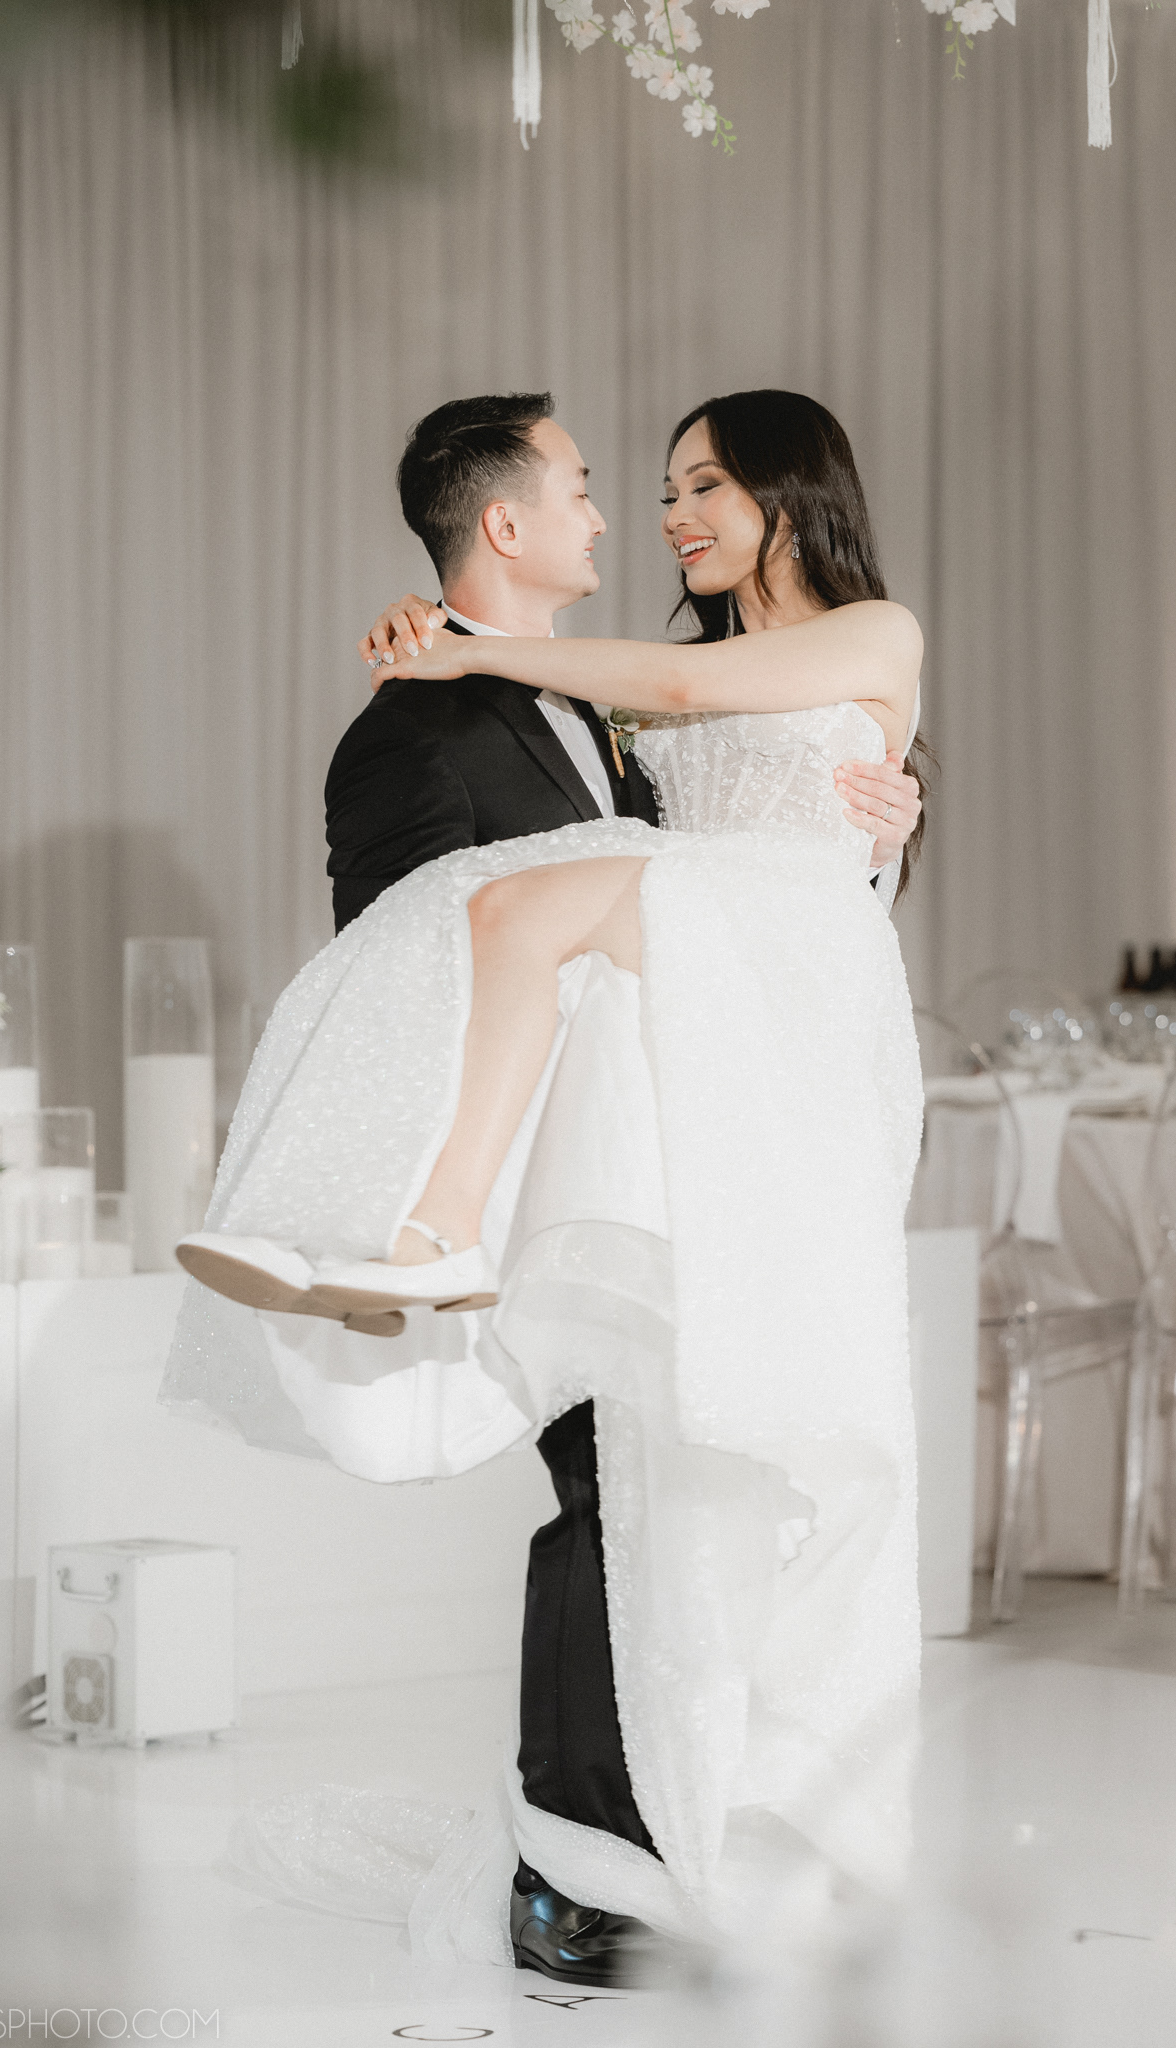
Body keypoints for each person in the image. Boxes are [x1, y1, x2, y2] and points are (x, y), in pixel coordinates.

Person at [164, 387, 926, 1976]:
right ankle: (579, 1872)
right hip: (611, 1167)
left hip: (747, 1103)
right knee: (620, 1503)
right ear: (508, 522)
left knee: (716, 1487)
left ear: (788, 491)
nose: (652, 514)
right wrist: (450, 650)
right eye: (629, 488)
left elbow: (758, 820)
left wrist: (889, 818)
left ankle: (696, 1843)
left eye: (696, 486)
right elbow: (396, 952)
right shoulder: (433, 726)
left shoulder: (710, 677)